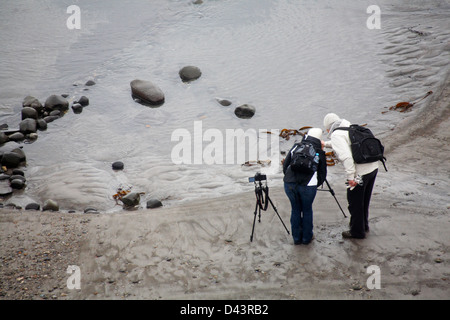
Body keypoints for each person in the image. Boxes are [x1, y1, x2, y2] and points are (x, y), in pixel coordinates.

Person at [323, 113, 378, 239]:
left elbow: (347, 157)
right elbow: (347, 143)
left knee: (354, 201)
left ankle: (357, 232)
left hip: (360, 173)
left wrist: (351, 179)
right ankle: (364, 225)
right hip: (373, 168)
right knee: (364, 199)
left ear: (328, 127)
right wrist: (325, 144)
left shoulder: (336, 135)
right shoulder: (349, 126)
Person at [283, 128, 327, 245]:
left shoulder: (296, 146)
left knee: (295, 209)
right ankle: (306, 238)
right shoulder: (319, 151)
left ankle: (296, 239)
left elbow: (285, 166)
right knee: (307, 210)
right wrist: (313, 185)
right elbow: (322, 175)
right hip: (308, 186)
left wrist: (290, 180)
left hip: (289, 183)